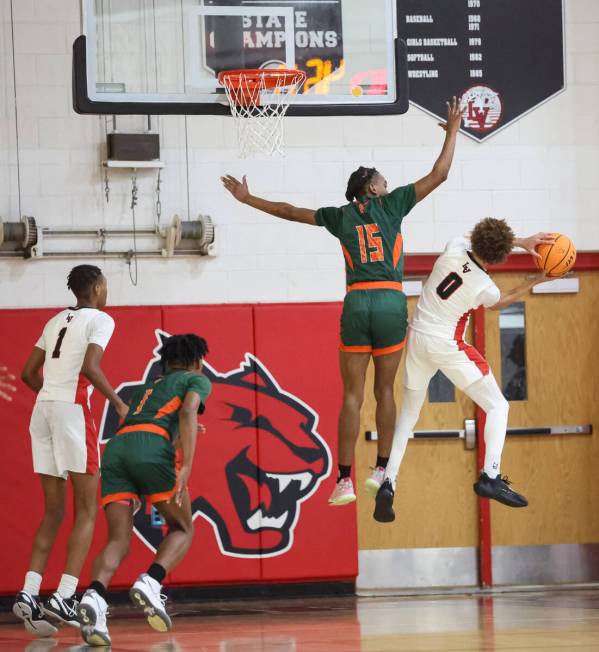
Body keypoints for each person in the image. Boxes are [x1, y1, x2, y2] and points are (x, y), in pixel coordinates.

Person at [221, 97, 464, 506]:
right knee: (384, 391)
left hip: (356, 303)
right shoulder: (393, 205)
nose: (388, 184)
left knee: (352, 395)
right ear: (372, 188)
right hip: (389, 301)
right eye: (384, 180)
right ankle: (383, 470)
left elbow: (288, 210)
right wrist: (453, 128)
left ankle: (344, 480)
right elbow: (440, 173)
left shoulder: (339, 216)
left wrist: (248, 199)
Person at [373, 219, 555, 523]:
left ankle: (389, 482)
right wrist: (534, 280)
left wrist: (521, 241)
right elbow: (501, 302)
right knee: (498, 405)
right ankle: (491, 476)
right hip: (446, 343)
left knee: (408, 415)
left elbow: (479, 241)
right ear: (500, 256)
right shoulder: (484, 286)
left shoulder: (454, 246)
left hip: (416, 338)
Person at [14, 265, 128, 637]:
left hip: (43, 409)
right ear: (97, 288)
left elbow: (28, 373)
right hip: (73, 412)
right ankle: (64, 596)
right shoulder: (102, 319)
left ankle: (29, 593)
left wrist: (51, 400)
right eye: (106, 286)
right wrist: (119, 403)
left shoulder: (54, 320)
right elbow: (92, 368)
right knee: (86, 511)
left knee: (53, 511)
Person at [78, 333, 212, 647]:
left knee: (118, 539)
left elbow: (162, 418)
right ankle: (151, 581)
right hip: (150, 449)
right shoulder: (195, 380)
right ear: (197, 361)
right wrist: (188, 464)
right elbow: (188, 410)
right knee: (183, 527)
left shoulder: (146, 388)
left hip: (115, 450)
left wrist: (181, 429)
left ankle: (94, 597)